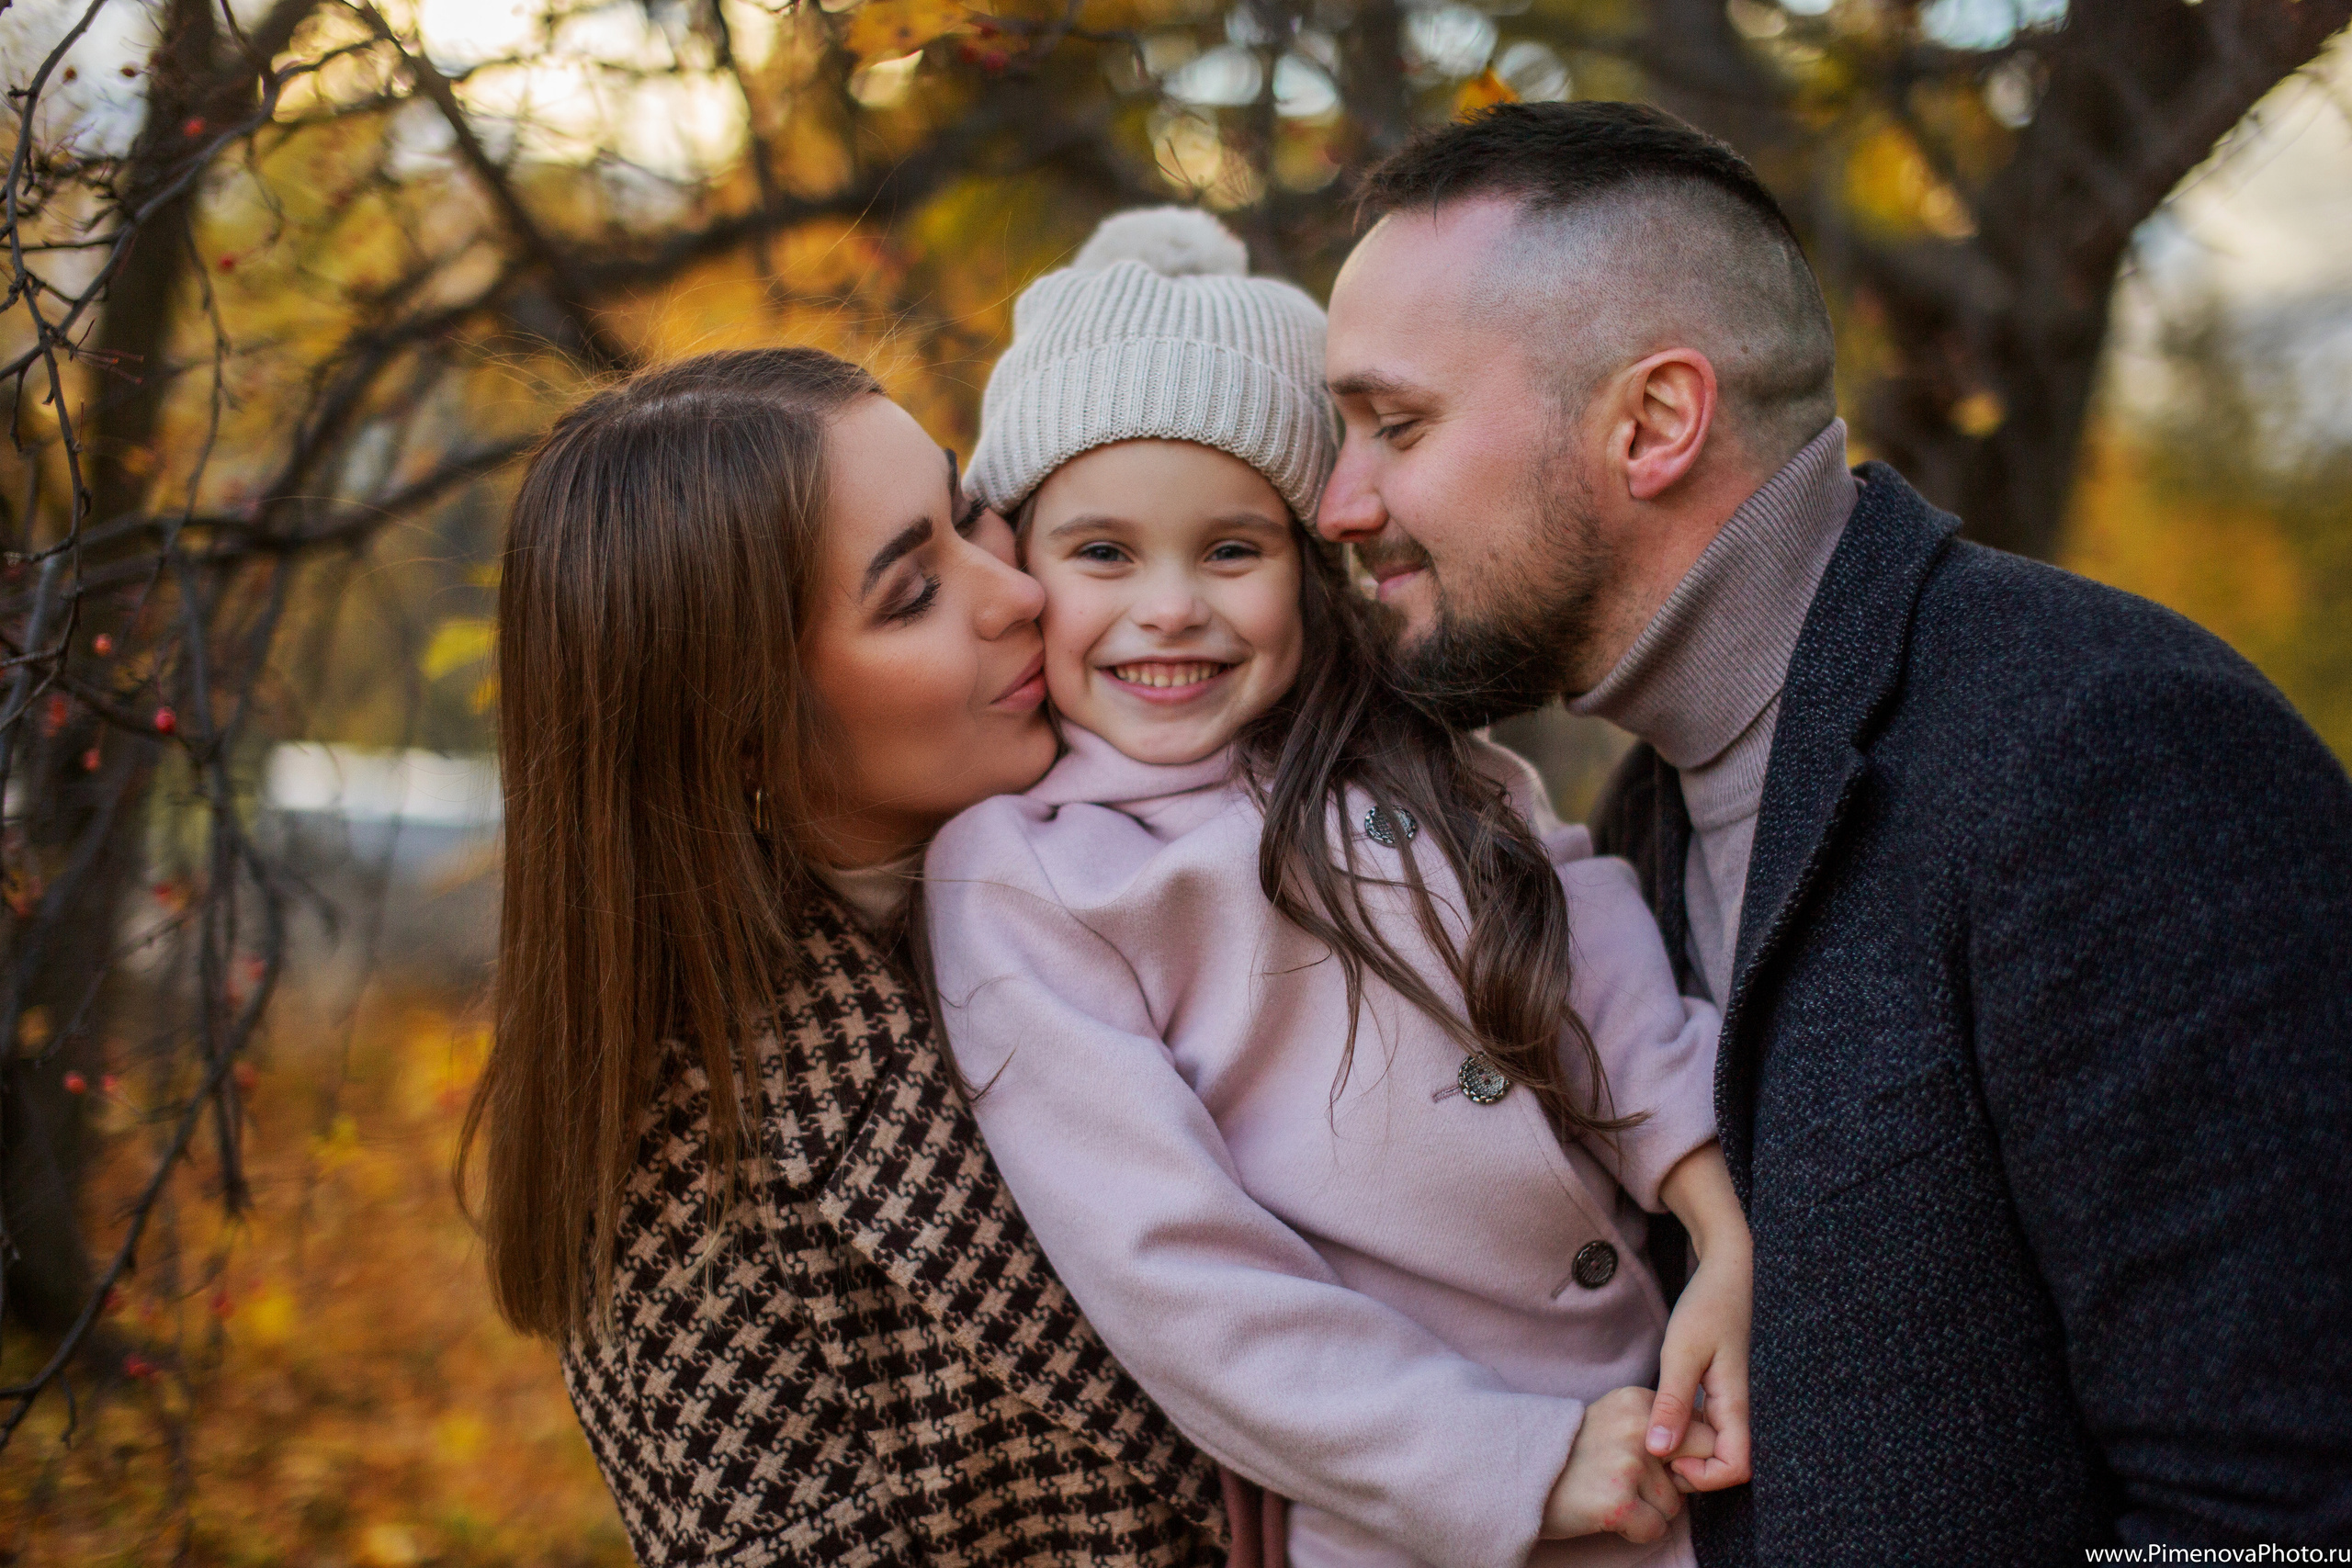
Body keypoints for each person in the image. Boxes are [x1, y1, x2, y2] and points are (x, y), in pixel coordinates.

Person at [1316, 100, 2352, 1562]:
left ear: (1655, 423)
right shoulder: (1647, 819)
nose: (1339, 502)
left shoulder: (2105, 743)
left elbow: (2283, 1510)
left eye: (1395, 425)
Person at [925, 208, 1754, 1568]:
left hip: (1662, 1411)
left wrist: (1720, 1217)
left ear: (1310, 573)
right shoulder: (1029, 875)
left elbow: (1597, 967)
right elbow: (1176, 1272)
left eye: (1233, 551)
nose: (1173, 607)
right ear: (1022, 567)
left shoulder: (1429, 760)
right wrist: (1508, 1461)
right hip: (1419, 1512)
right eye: (1105, 554)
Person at [458, 348, 1238, 1564]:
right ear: (742, 732)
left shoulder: (1211, 748)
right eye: (912, 594)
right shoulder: (692, 1221)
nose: (1017, 592)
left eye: (969, 510)